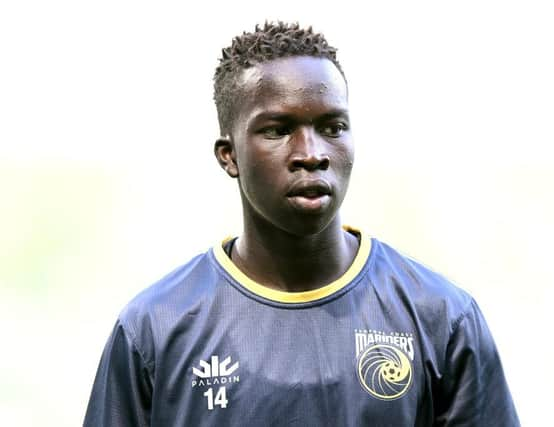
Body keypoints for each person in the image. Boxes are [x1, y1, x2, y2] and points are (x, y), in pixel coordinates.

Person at [84, 22, 520, 426]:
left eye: (333, 126)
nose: (311, 152)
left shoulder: (441, 318)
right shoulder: (155, 328)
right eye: (278, 130)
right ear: (229, 155)